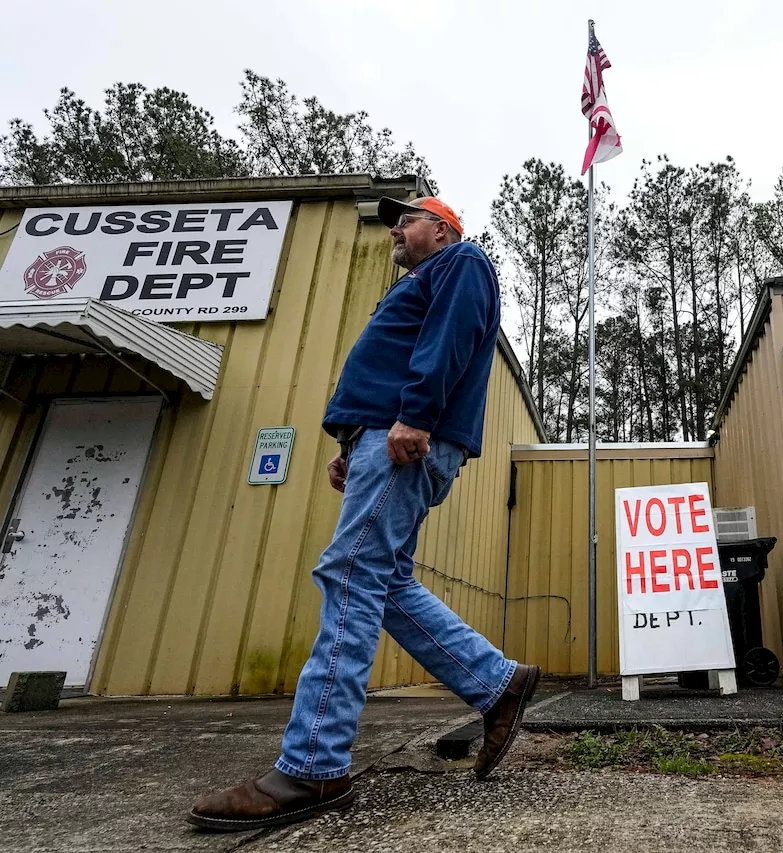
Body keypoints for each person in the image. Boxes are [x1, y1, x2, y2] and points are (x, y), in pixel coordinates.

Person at [188, 196, 540, 832]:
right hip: (380, 439)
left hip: (403, 435)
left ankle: (313, 766)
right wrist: (352, 444)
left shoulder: (461, 262)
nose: (396, 233)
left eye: (406, 220)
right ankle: (498, 684)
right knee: (384, 584)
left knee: (350, 573)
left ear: (443, 227)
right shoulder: (422, 278)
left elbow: (449, 341)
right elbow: (396, 358)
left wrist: (414, 417)